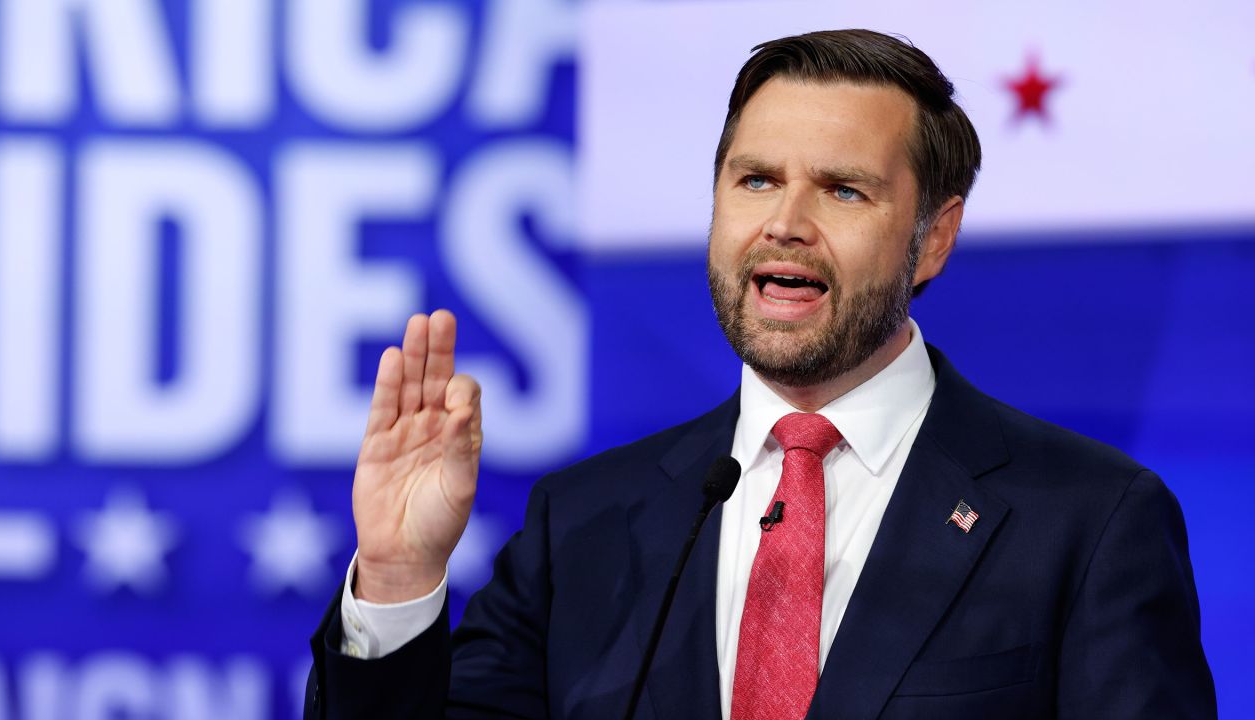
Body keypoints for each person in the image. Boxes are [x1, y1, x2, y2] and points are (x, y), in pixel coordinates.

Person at [304, 29, 1216, 719]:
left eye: (844, 189)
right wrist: (396, 576)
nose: (785, 222)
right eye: (755, 180)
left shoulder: (1088, 520)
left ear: (933, 237)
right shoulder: (584, 522)